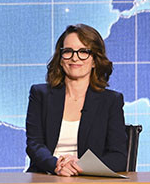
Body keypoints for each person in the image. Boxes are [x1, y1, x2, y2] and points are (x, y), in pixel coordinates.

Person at [26, 24, 127, 175]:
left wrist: (80, 166)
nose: (75, 58)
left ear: (94, 61)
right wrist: (57, 166)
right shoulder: (40, 94)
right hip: (45, 177)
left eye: (83, 52)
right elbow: (34, 145)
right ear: (60, 59)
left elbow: (118, 157)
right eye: (68, 51)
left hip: (88, 182)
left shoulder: (111, 101)